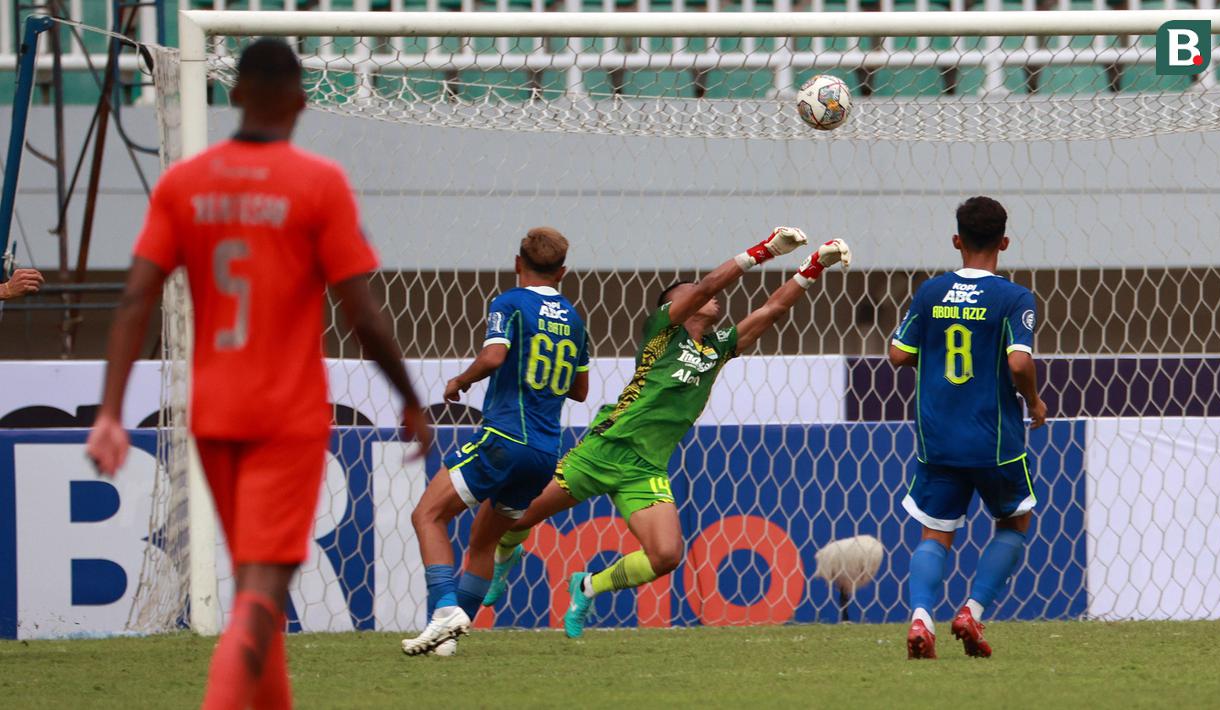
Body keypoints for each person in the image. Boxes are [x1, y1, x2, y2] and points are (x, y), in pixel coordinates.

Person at [85, 38, 431, 708]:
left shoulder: (184, 184)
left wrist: (108, 411)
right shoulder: (317, 183)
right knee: (260, 594)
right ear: (302, 101)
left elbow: (135, 299)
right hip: (287, 417)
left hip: (212, 414)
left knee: (254, 580)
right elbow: (363, 314)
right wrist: (411, 400)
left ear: (233, 94)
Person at [482, 227, 852, 638]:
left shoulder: (717, 348)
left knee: (666, 555)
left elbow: (770, 311)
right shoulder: (662, 334)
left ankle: (588, 586)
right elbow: (711, 282)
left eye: (704, 291)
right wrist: (762, 252)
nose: (711, 296)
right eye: (694, 292)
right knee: (517, 514)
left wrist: (813, 266)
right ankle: (503, 559)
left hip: (646, 467)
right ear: (675, 305)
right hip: (604, 448)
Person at [400, 227, 589, 656]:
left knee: (427, 516)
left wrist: (460, 380)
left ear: (518, 262)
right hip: (544, 452)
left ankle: (446, 608)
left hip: (504, 437)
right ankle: (445, 643)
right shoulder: (575, 320)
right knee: (484, 543)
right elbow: (579, 390)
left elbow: (494, 355)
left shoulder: (509, 303)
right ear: (562, 272)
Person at [888, 196, 1047, 660]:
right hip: (994, 440)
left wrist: (935, 349)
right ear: (1004, 242)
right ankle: (971, 612)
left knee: (935, 535)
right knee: (1014, 523)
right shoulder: (1014, 298)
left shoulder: (931, 293)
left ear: (956, 241)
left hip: (938, 440)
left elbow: (898, 354)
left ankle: (921, 619)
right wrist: (1034, 401)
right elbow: (1019, 362)